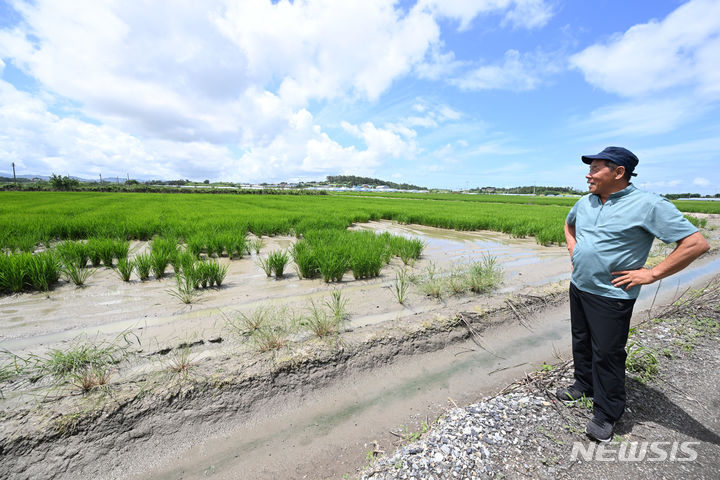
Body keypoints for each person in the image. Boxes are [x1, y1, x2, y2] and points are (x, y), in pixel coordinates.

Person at [556, 146, 710, 442]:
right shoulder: (585, 202)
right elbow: (569, 223)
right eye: (589, 169)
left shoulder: (648, 204)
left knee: (608, 353)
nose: (588, 174)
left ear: (618, 172)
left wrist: (651, 273)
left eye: (596, 168)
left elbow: (695, 244)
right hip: (580, 285)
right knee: (581, 340)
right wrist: (573, 247)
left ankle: (606, 412)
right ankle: (583, 385)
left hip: (612, 294)